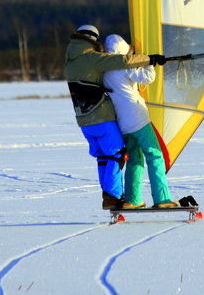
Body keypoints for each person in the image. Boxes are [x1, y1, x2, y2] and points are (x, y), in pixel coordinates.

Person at [64, 24, 166, 209]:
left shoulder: (74, 61)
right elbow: (129, 65)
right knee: (137, 155)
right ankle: (155, 198)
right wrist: (149, 61)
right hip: (120, 117)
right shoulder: (95, 59)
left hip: (90, 120)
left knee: (112, 157)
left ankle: (129, 199)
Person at [103, 34, 179, 209]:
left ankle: (132, 199)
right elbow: (147, 78)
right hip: (137, 118)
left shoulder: (105, 69)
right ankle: (162, 198)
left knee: (135, 159)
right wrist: (148, 62)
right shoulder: (124, 63)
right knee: (155, 155)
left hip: (122, 123)